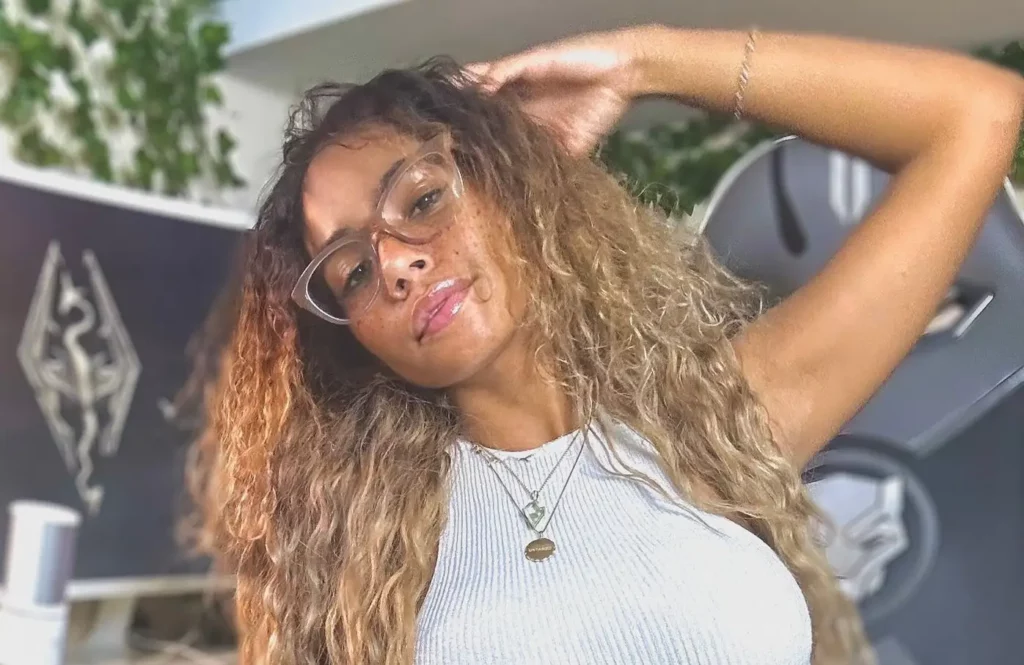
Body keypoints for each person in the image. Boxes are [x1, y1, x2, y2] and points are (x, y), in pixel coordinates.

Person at [191, 24, 1023, 665]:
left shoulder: (717, 424)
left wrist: (645, 62)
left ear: (506, 186)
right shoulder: (366, 561)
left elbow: (976, 114)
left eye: (422, 199)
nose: (396, 263)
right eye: (352, 271)